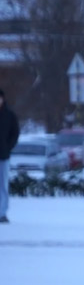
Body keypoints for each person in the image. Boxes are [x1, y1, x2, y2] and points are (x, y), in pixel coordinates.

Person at [0, 88, 19, 223]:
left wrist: (8, 146)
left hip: (3, 156)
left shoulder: (9, 116)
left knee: (2, 186)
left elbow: (15, 133)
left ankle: (2, 212)